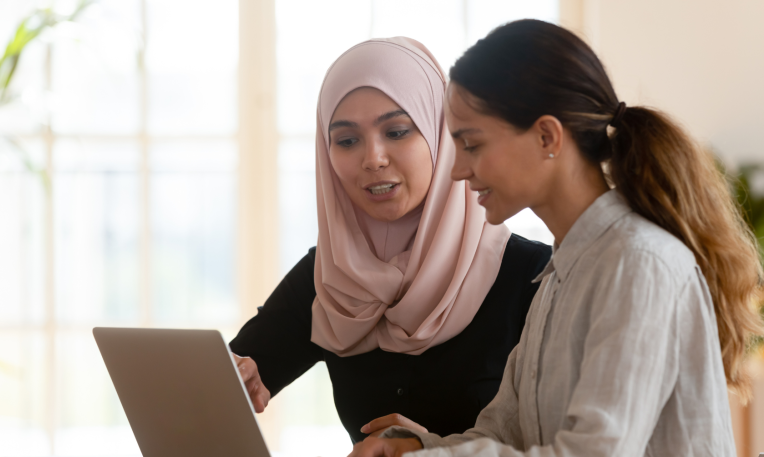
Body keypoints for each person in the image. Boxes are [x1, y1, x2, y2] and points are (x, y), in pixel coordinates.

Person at [350, 20, 764, 457]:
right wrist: (417, 448)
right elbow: (506, 435)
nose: (457, 170)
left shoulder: (639, 264)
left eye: (471, 144)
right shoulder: (558, 276)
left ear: (547, 136)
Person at [229, 37, 552, 444]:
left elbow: (566, 443)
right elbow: (234, 372)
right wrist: (234, 375)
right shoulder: (329, 275)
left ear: (443, 136)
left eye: (397, 131)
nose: (373, 158)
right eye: (347, 140)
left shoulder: (536, 277)